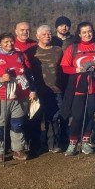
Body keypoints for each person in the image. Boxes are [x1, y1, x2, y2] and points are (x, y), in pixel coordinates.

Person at [60, 22, 95, 156]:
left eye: (89, 31)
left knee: (90, 114)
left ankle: (86, 141)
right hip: (78, 87)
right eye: (84, 32)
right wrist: (78, 69)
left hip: (94, 86)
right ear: (79, 34)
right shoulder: (73, 47)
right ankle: (72, 143)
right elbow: (65, 67)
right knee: (77, 116)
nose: (87, 34)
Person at [0, 33, 37, 162]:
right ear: (0, 44)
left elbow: (30, 74)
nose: (9, 44)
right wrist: (0, 79)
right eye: (6, 42)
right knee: (0, 125)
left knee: (17, 124)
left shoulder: (21, 55)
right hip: (2, 96)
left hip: (21, 96)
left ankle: (18, 150)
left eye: (11, 41)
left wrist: (33, 90)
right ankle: (0, 151)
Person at [26, 25, 65, 154]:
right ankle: (35, 145)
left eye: (49, 34)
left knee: (53, 117)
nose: (47, 36)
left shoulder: (58, 50)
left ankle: (53, 144)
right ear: (37, 36)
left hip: (55, 89)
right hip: (37, 90)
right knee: (36, 118)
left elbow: (63, 69)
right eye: (43, 34)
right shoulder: (30, 52)